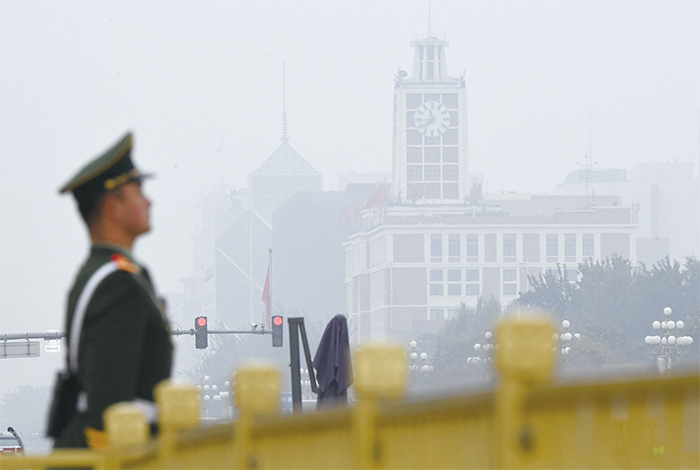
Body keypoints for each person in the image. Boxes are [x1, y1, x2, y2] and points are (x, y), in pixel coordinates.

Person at [54, 132, 172, 449]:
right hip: (112, 453)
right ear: (112, 207)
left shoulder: (114, 274)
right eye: (138, 192)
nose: (149, 201)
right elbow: (110, 406)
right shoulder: (117, 285)